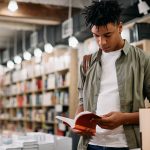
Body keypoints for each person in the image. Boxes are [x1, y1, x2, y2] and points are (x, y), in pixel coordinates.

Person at [73, 0, 150, 150]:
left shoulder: (143, 60)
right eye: (96, 35)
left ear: (119, 27)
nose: (101, 42)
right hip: (90, 144)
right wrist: (77, 122)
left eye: (107, 35)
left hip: (127, 145)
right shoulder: (87, 62)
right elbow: (82, 102)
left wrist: (124, 119)